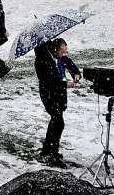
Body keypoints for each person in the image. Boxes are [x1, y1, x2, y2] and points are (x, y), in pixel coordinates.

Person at [34, 37, 81, 167]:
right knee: (58, 122)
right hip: (49, 95)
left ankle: (47, 150)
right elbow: (50, 81)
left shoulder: (59, 56)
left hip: (59, 95)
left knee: (56, 121)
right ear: (55, 49)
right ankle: (52, 154)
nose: (64, 54)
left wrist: (76, 73)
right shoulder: (42, 60)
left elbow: (69, 64)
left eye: (65, 52)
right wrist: (65, 84)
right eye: (62, 51)